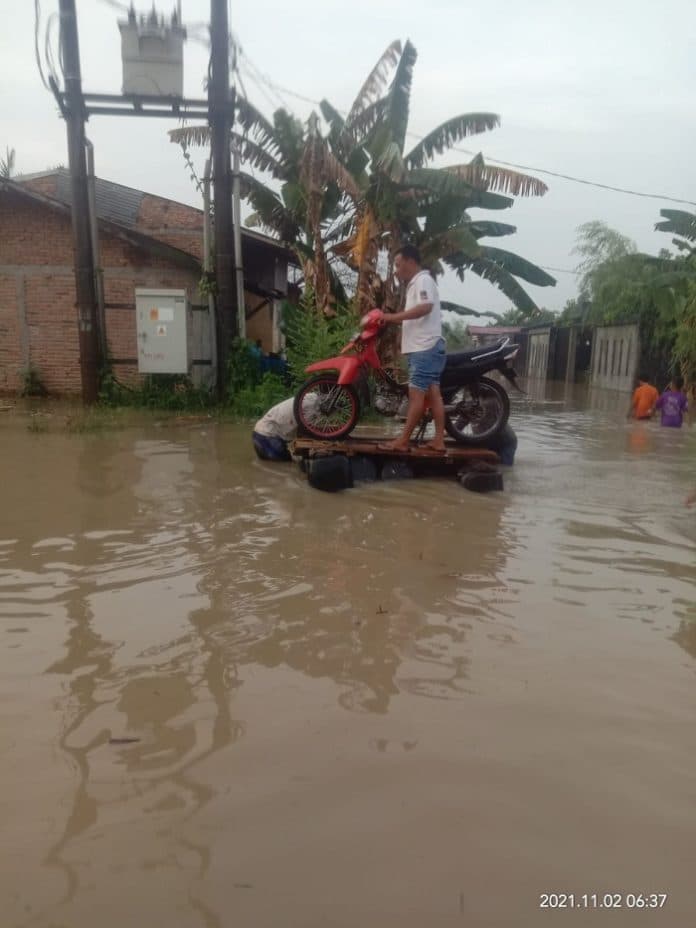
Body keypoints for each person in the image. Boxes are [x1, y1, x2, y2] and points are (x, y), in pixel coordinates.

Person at [377, 244, 446, 453]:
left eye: (398, 265)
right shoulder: (417, 283)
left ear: (411, 261)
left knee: (416, 396)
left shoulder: (423, 280)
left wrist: (391, 317)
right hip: (426, 347)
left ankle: (403, 440)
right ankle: (439, 441)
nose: (396, 270)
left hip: (425, 348)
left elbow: (425, 308)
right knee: (434, 395)